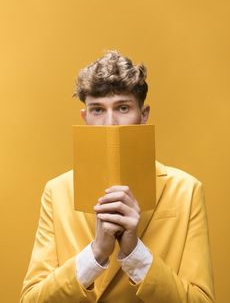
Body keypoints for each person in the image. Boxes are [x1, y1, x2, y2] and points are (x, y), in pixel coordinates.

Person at [20, 51, 215, 302]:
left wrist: (135, 253)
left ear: (143, 115)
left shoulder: (186, 191)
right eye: (98, 109)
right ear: (85, 118)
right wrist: (96, 253)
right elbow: (30, 299)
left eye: (123, 107)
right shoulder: (57, 192)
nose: (110, 123)